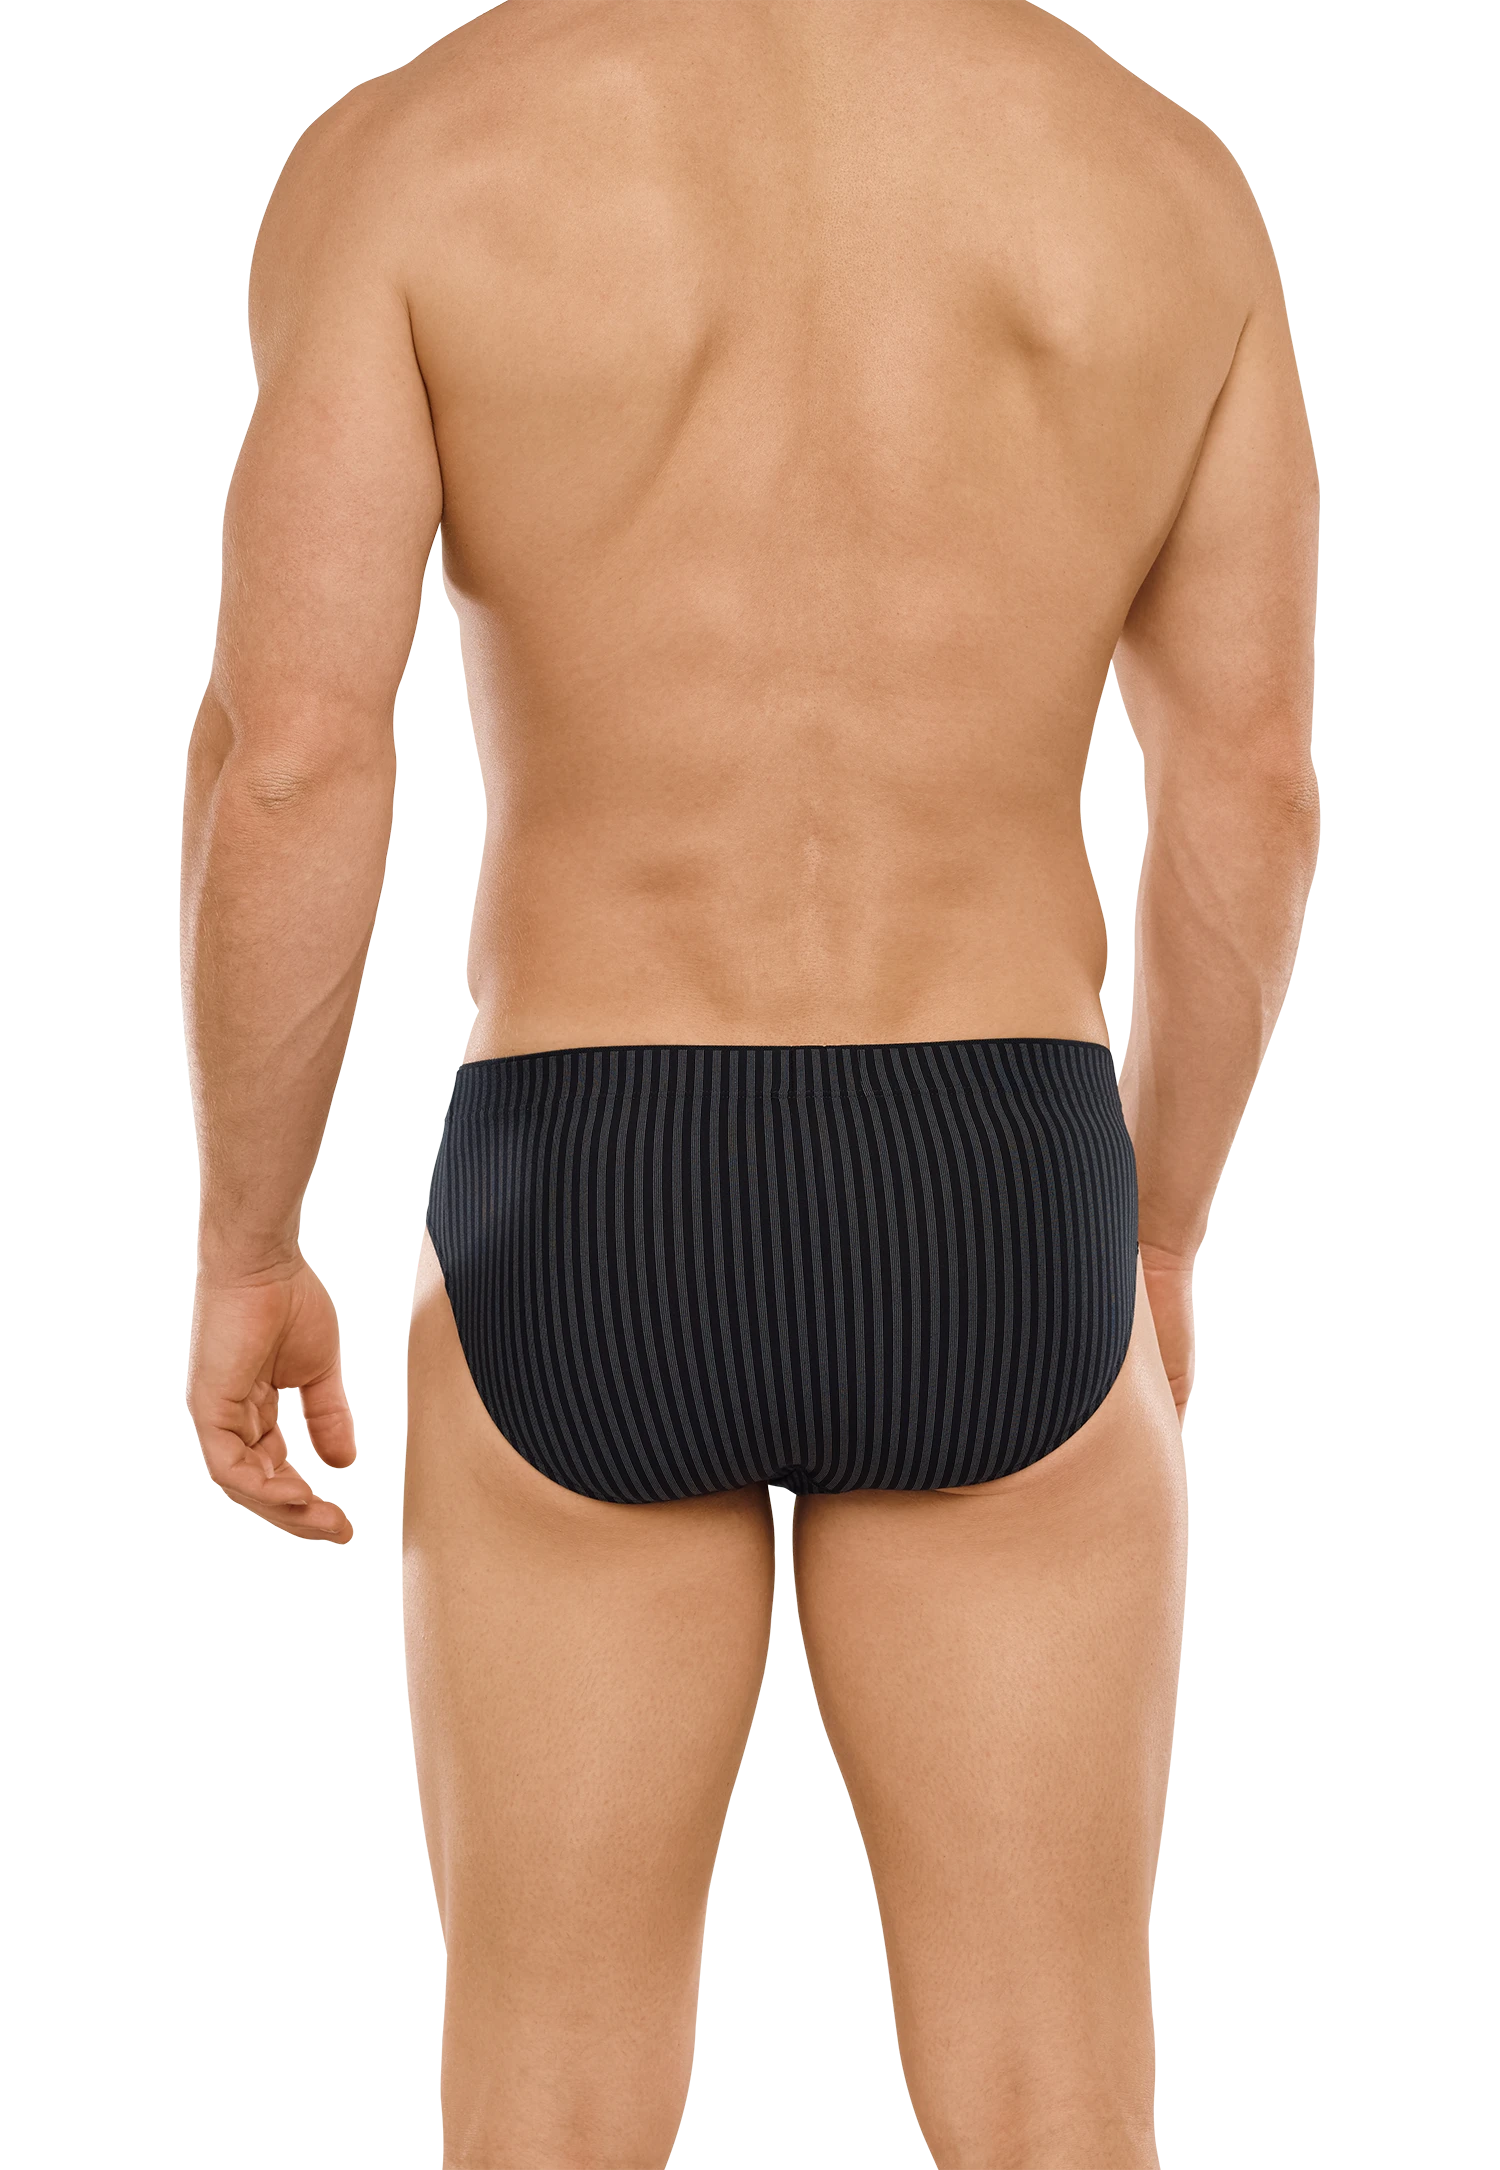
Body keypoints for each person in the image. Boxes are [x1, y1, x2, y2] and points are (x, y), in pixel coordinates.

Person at [180, 3, 1320, 2164]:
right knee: (1051, 2092)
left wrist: (248, 1238)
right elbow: (1252, 783)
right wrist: (1160, 1219)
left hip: (588, 1184)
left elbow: (297, 756)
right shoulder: (1157, 175)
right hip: (998, 1177)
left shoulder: (419, 152)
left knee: (550, 2099)